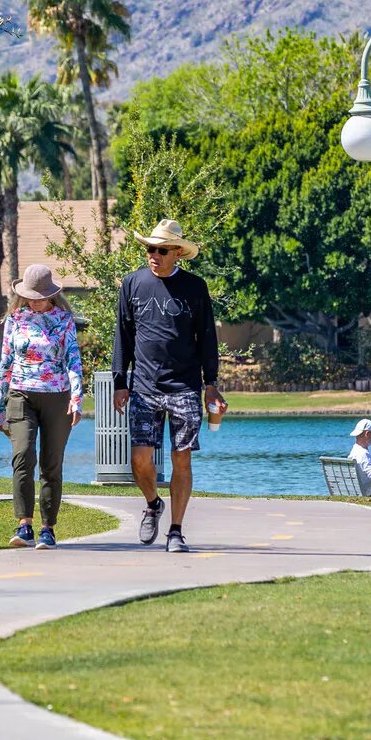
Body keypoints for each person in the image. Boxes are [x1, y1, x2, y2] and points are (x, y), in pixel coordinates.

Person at [112, 218, 221, 554]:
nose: (153, 255)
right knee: (140, 458)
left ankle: (176, 530)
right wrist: (120, 381)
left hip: (185, 387)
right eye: (149, 249)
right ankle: (152, 503)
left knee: (181, 458)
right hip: (143, 386)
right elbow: (123, 336)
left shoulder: (195, 288)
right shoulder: (132, 284)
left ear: (176, 252)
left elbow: (207, 339)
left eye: (160, 250)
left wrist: (211, 384)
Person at [0, 263, 83, 549]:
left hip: (57, 396)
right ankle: (24, 525)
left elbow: (73, 360)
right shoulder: (15, 320)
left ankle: (48, 529)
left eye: (41, 295)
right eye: (31, 295)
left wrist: (76, 399)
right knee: (22, 456)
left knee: (51, 464)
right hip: (21, 395)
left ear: (52, 295)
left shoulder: (65, 320)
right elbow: (5, 363)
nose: (36, 300)